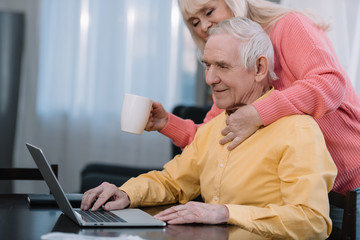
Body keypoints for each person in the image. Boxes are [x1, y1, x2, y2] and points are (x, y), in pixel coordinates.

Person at [82, 17, 337, 239]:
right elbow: (172, 181)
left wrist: (225, 212)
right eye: (207, 65)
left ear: (259, 68)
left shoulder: (298, 130)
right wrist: (126, 193)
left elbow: (312, 221)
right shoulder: (213, 128)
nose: (210, 79)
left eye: (222, 66)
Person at [145, 0, 360, 195]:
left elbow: (329, 83)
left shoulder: (287, 26)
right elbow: (212, 141)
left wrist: (258, 113)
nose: (203, 27)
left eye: (208, 12)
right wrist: (166, 123)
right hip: (309, 189)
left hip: (352, 183)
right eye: (194, 22)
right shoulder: (235, 67)